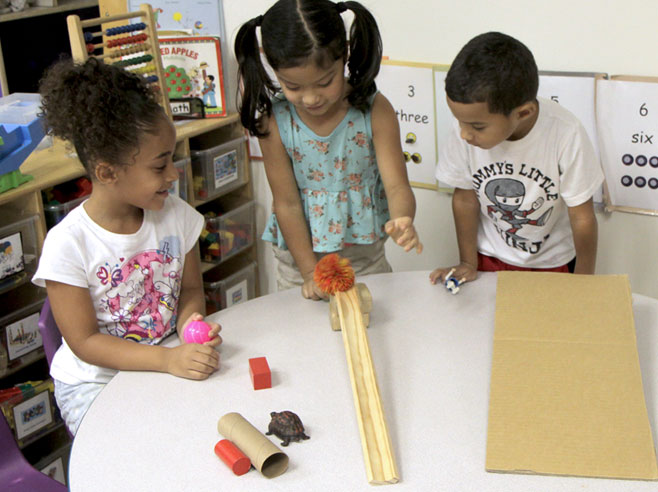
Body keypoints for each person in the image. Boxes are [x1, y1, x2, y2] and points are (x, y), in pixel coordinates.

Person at [33, 58, 222, 435]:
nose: (173, 174)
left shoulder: (176, 217)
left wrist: (190, 326)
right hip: (95, 383)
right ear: (107, 172)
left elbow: (189, 291)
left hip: (163, 356)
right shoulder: (68, 245)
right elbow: (85, 343)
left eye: (172, 160)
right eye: (159, 166)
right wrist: (167, 360)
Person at [235, 0, 422, 300]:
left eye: (325, 82)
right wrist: (310, 272)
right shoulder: (275, 121)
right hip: (299, 262)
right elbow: (287, 204)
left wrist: (403, 218)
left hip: (363, 258)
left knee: (371, 326)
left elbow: (397, 185)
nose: (310, 99)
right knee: (305, 334)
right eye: (292, 86)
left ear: (344, 54)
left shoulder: (374, 110)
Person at [430, 32, 604, 286]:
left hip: (552, 263)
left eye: (477, 127)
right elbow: (465, 198)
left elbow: (582, 217)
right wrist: (467, 262)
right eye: (459, 122)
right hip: (488, 258)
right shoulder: (465, 129)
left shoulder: (566, 133)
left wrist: (585, 282)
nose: (464, 134)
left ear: (523, 112)